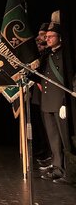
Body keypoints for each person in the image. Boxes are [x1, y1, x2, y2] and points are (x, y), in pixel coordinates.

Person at [37, 22, 72, 184]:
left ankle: (70, 171)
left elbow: (70, 79)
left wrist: (66, 101)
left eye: (51, 36)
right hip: (47, 101)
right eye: (47, 37)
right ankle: (58, 168)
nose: (48, 39)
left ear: (60, 37)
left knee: (65, 139)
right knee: (53, 138)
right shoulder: (47, 55)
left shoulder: (66, 55)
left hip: (60, 101)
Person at [30, 23, 52, 167]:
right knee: (43, 127)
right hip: (40, 95)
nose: (39, 38)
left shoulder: (49, 54)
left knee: (50, 129)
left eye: (43, 35)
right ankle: (47, 152)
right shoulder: (41, 53)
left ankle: (52, 155)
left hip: (50, 95)